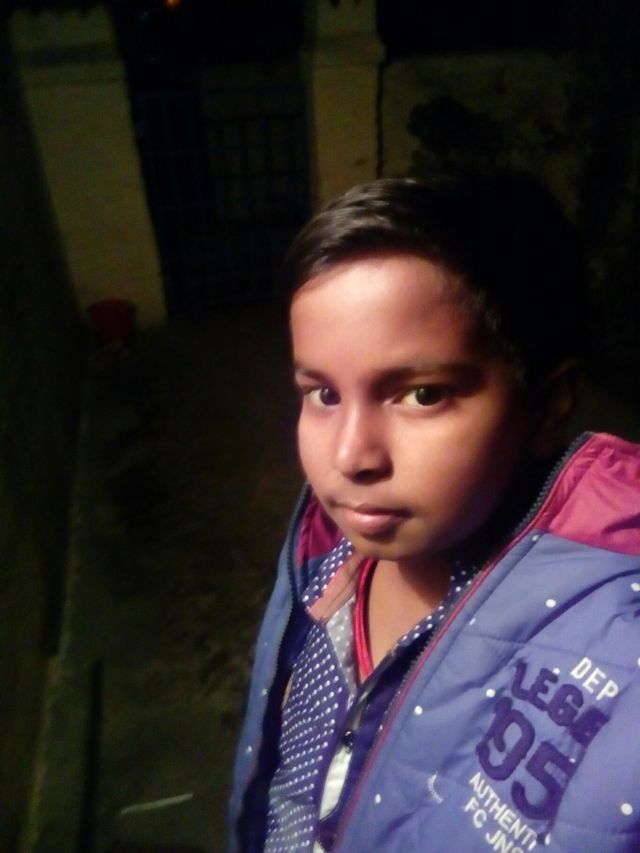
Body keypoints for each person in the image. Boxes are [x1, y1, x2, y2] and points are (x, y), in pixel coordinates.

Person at [228, 173, 640, 852]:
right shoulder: (325, 555)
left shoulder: (613, 667)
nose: (349, 456)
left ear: (547, 405)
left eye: (422, 395)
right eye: (323, 394)